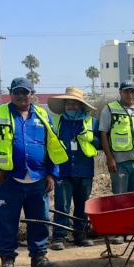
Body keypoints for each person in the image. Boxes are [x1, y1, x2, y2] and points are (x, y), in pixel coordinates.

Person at [0, 78, 66, 267]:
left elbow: (53, 147)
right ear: (10, 93)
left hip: (38, 179)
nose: (21, 95)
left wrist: (51, 173)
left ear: (33, 93)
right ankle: (7, 259)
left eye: (25, 91)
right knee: (6, 221)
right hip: (9, 180)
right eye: (17, 92)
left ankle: (38, 257)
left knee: (40, 220)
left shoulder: (43, 115)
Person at [99, 81, 134, 244]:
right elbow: (104, 134)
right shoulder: (109, 109)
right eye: (126, 91)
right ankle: (120, 232)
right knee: (121, 199)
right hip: (120, 162)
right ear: (120, 92)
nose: (130, 94)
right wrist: (110, 158)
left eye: (133, 91)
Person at [47, 86, 100, 250]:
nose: (71, 106)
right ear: (64, 105)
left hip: (84, 170)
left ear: (81, 105)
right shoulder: (55, 122)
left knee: (82, 204)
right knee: (61, 205)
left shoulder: (92, 122)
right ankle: (59, 237)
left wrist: (90, 139)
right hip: (62, 170)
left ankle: (80, 234)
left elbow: (102, 144)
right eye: (68, 103)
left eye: (74, 103)